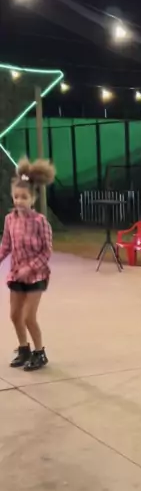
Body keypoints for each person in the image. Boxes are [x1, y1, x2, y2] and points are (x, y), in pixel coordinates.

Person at [0, 158, 54, 371]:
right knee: (15, 316)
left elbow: (46, 251)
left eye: (24, 197)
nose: (19, 201)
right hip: (16, 275)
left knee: (28, 317)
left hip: (36, 276)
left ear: (33, 198)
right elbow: (5, 246)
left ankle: (40, 353)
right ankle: (24, 349)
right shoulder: (9, 220)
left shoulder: (41, 222)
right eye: (16, 197)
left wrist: (29, 268)